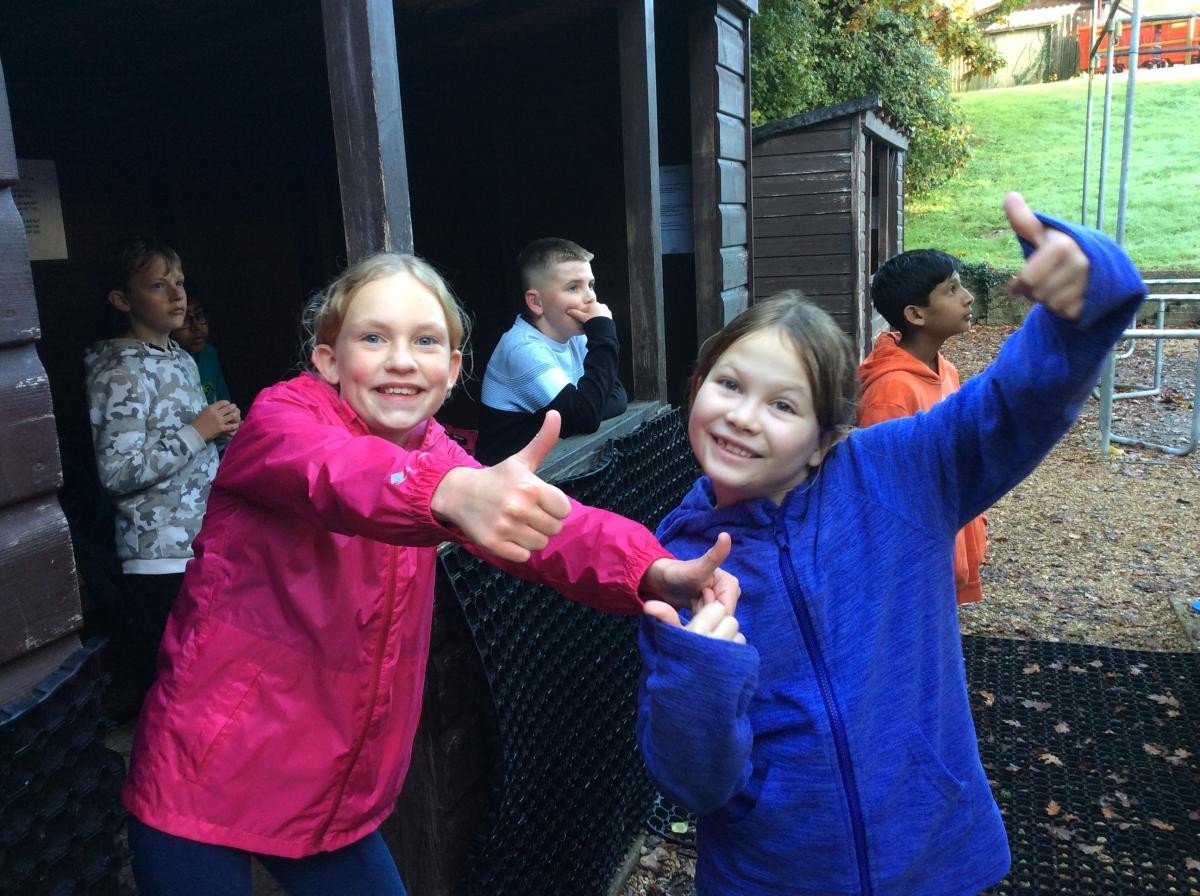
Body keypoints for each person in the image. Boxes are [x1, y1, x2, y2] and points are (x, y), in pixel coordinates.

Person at [121, 253, 737, 896]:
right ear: (328, 360)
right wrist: (448, 492)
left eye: (425, 341)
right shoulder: (282, 421)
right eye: (373, 338)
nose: (401, 360)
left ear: (452, 370)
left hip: (327, 792)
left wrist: (652, 569)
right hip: (203, 775)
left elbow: (554, 529)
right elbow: (333, 473)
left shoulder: (433, 451)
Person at [636, 193, 1144, 896]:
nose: (743, 417)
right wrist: (700, 679)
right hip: (774, 876)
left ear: (824, 439)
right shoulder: (680, 559)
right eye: (728, 384)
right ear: (697, 389)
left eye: (783, 404)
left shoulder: (900, 473)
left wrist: (1079, 305)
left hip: (930, 856)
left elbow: (1013, 407)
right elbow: (695, 784)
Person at [85, 238, 242, 706]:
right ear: (122, 300)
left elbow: (191, 443)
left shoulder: (181, 358)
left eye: (179, 282)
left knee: (210, 677)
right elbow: (117, 472)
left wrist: (221, 432)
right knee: (175, 688)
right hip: (156, 558)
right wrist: (197, 431)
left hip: (201, 544)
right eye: (158, 285)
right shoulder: (118, 371)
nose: (177, 296)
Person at [858, 249, 988, 604]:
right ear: (916, 314)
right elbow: (882, 492)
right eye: (951, 290)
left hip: (949, 541)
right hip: (914, 568)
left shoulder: (946, 371)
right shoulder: (890, 391)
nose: (967, 297)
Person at [475, 237, 628, 464]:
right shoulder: (522, 349)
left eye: (591, 285)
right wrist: (604, 333)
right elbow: (587, 417)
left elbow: (617, 396)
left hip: (552, 468)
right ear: (536, 302)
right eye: (573, 287)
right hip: (505, 477)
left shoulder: (574, 336)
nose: (591, 297)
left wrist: (582, 412)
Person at [171, 288, 232, 404]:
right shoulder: (166, 367)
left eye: (199, 315)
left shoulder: (209, 354)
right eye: (185, 320)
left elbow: (224, 403)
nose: (197, 327)